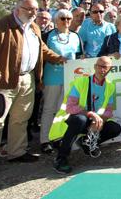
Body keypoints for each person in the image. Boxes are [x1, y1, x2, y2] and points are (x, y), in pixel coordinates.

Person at [0, 0, 65, 173]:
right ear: (18, 8)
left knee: (21, 118)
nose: (33, 13)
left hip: (28, 79)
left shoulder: (34, 28)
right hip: (4, 80)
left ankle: (16, 152)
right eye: (29, 9)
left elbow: (43, 50)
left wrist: (60, 59)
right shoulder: (0, 25)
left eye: (35, 10)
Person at [49, 56, 121, 173]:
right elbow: (70, 107)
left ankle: (86, 143)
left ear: (110, 69)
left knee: (115, 128)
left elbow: (109, 110)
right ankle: (61, 158)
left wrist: (100, 120)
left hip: (92, 119)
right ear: (95, 67)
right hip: (73, 119)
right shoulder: (81, 82)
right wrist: (92, 115)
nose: (102, 70)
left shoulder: (110, 86)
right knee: (80, 120)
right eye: (100, 66)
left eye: (106, 67)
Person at [39, 10, 83, 154]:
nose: (66, 21)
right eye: (63, 18)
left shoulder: (76, 36)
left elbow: (79, 57)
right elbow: (41, 57)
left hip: (70, 79)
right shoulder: (48, 36)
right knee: (49, 109)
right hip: (52, 77)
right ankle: (45, 140)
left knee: (63, 109)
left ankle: (58, 136)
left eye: (69, 18)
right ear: (56, 20)